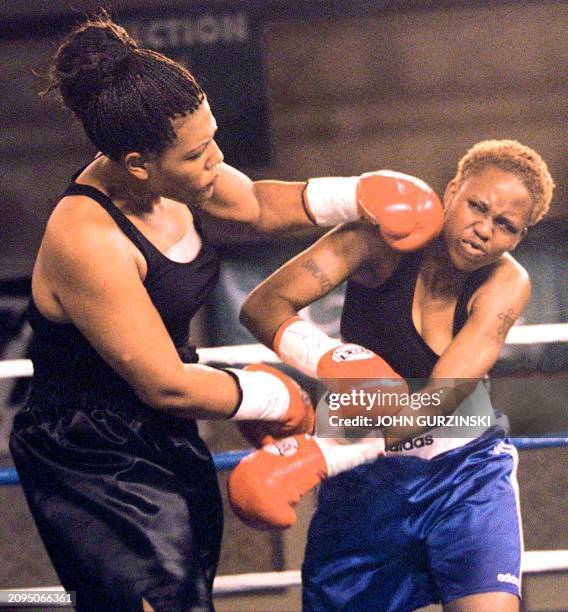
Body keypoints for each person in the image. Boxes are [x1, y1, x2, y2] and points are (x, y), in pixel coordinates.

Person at [8, 13, 444, 612]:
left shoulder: (180, 177)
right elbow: (163, 383)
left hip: (167, 426)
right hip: (91, 447)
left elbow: (259, 205)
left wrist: (360, 193)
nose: (215, 160)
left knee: (190, 593)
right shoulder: (88, 238)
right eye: (197, 154)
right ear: (137, 162)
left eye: (212, 137)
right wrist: (273, 394)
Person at [229, 139, 554, 611]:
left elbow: (444, 398)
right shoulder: (375, 242)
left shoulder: (507, 282)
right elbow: (262, 306)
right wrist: (328, 359)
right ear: (451, 191)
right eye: (477, 207)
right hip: (365, 485)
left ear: (518, 237)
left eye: (505, 225)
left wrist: (325, 454)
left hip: (464, 472)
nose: (484, 229)